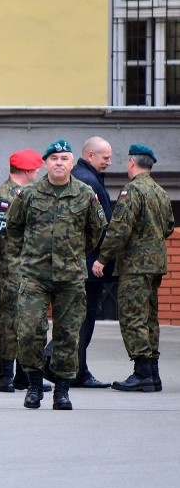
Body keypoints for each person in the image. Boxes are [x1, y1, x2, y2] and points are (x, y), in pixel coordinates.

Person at [5, 139, 105, 411]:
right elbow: (13, 228)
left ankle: (62, 390)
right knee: (29, 331)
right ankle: (34, 386)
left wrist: (74, 255)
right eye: (53, 159)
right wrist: (21, 260)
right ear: (45, 163)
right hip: (34, 276)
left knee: (68, 335)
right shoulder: (29, 194)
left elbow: (96, 231)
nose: (59, 163)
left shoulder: (85, 194)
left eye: (64, 159)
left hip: (70, 277)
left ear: (72, 163)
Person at [93, 144, 174, 392]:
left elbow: (119, 229)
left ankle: (142, 373)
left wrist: (103, 258)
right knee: (149, 317)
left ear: (131, 163)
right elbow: (169, 226)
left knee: (131, 317)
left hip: (135, 266)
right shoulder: (160, 191)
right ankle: (152, 373)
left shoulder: (133, 190)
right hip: (155, 265)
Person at [0, 149, 53, 393]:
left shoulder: (26, 193)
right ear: (26, 171)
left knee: (28, 321)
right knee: (10, 321)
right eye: (35, 169)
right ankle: (6, 376)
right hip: (11, 268)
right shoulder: (5, 197)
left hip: (27, 267)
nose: (37, 172)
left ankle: (24, 375)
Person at [64, 137, 116, 388]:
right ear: (90, 154)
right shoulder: (87, 180)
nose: (109, 161)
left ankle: (77, 370)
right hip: (87, 263)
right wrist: (101, 258)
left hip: (84, 261)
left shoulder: (87, 177)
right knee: (82, 320)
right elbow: (98, 225)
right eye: (105, 157)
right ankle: (72, 370)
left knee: (82, 318)